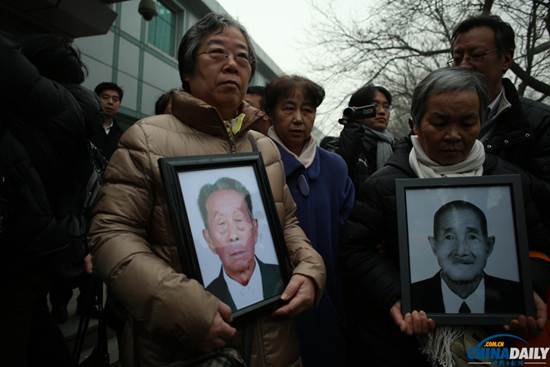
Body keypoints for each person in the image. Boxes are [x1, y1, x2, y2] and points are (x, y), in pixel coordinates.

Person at [88, 12, 325, 367]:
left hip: (276, 342)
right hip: (184, 346)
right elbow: (111, 234)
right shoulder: (147, 138)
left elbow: (286, 222)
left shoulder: (264, 148)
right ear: (186, 70)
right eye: (217, 53)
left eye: (243, 57)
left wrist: (309, 268)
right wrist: (183, 307)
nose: (233, 64)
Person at [340, 67, 549, 367]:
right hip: (398, 344)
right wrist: (398, 297)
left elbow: (538, 245)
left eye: (467, 122)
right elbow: (354, 249)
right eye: (438, 122)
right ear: (415, 123)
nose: (453, 135)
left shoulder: (507, 180)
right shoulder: (384, 184)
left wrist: (532, 290)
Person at [0, 33, 102, 367]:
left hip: (24, 236)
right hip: (40, 237)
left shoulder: (47, 100)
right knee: (32, 319)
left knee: (13, 325)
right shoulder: (71, 107)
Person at [265, 75, 355, 367]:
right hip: (273, 306)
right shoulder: (253, 161)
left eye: (307, 110)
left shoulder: (335, 166)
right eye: (288, 108)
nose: (298, 119)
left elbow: (349, 235)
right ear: (270, 112)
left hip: (329, 300)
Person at [449, 15, 550, 219]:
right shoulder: (431, 119)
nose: (464, 65)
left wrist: (484, 163)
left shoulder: (541, 122)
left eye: (476, 55)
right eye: (458, 58)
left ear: (506, 59)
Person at [411, 200, 522, 314]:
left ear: (489, 245)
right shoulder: (412, 298)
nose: (461, 251)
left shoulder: (518, 296)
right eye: (449, 237)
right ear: (434, 246)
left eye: (472, 237)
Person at [198, 177, 284, 312]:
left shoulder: (285, 278)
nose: (233, 236)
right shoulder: (205, 302)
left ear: (255, 230)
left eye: (239, 219)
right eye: (221, 223)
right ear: (209, 240)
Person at [325, 85, 397, 191]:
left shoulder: (397, 147)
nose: (382, 111)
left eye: (386, 106)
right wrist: (352, 132)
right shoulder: (336, 147)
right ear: (359, 110)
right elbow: (333, 180)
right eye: (375, 106)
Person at [89, 81, 125, 160]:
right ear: (96, 99)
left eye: (115, 99)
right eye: (105, 97)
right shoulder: (87, 126)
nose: (110, 102)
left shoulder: (122, 136)